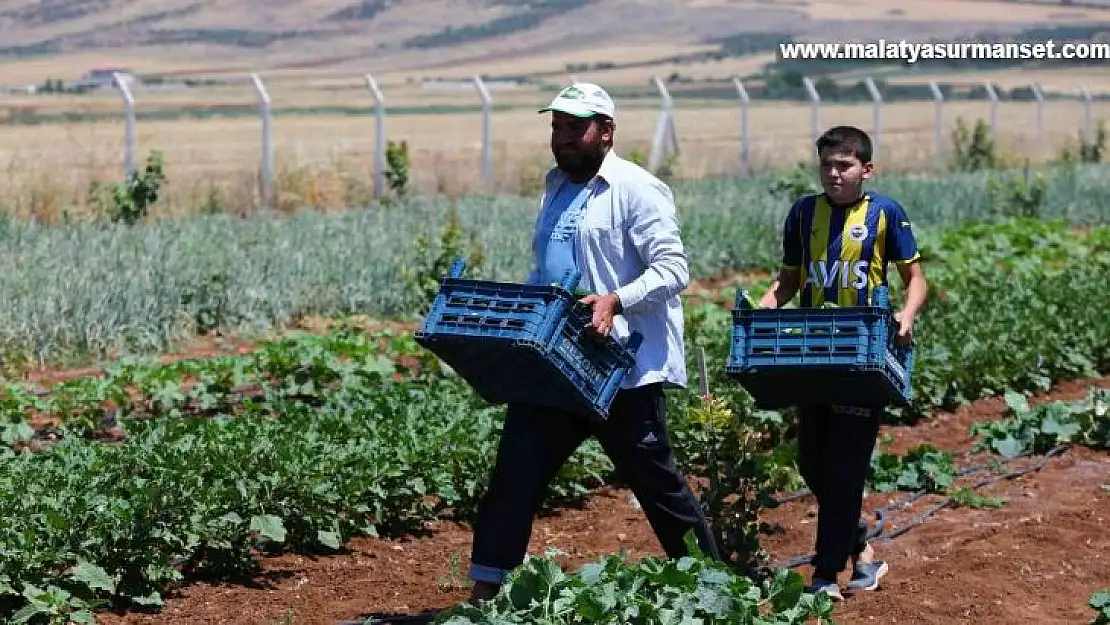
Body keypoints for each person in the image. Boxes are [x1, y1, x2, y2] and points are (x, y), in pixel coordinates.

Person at [465, 82, 721, 603]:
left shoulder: (637, 188)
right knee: (514, 476)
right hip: (557, 362)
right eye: (557, 126)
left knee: (656, 484)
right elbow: (549, 267)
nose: (563, 137)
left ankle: (715, 586)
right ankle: (485, 592)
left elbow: (674, 270)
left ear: (606, 131)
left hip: (619, 367)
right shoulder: (555, 184)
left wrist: (615, 301)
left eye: (574, 127)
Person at [758, 125, 928, 600]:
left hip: (864, 354)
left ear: (865, 170)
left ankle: (823, 576)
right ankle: (863, 554)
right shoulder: (802, 214)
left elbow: (916, 279)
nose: (834, 174)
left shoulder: (885, 214)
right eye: (827, 165)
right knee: (813, 460)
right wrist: (770, 301)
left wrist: (907, 314)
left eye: (844, 166)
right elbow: (788, 280)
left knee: (846, 467)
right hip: (814, 352)